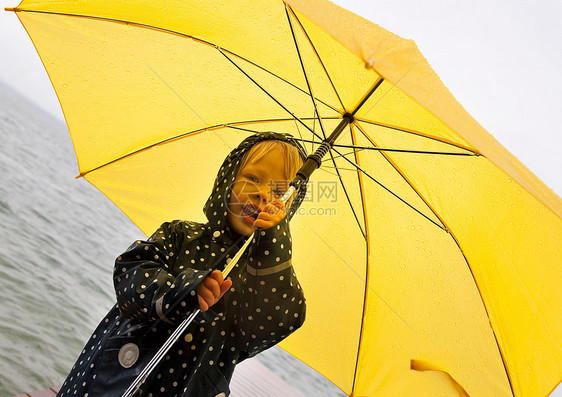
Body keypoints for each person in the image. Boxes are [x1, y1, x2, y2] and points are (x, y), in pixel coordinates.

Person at [57, 132, 308, 397]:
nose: (262, 195)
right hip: (113, 375)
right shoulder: (181, 235)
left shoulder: (266, 278)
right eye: (252, 179)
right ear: (228, 179)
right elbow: (131, 273)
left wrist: (273, 249)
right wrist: (186, 290)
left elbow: (276, 322)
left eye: (279, 192)